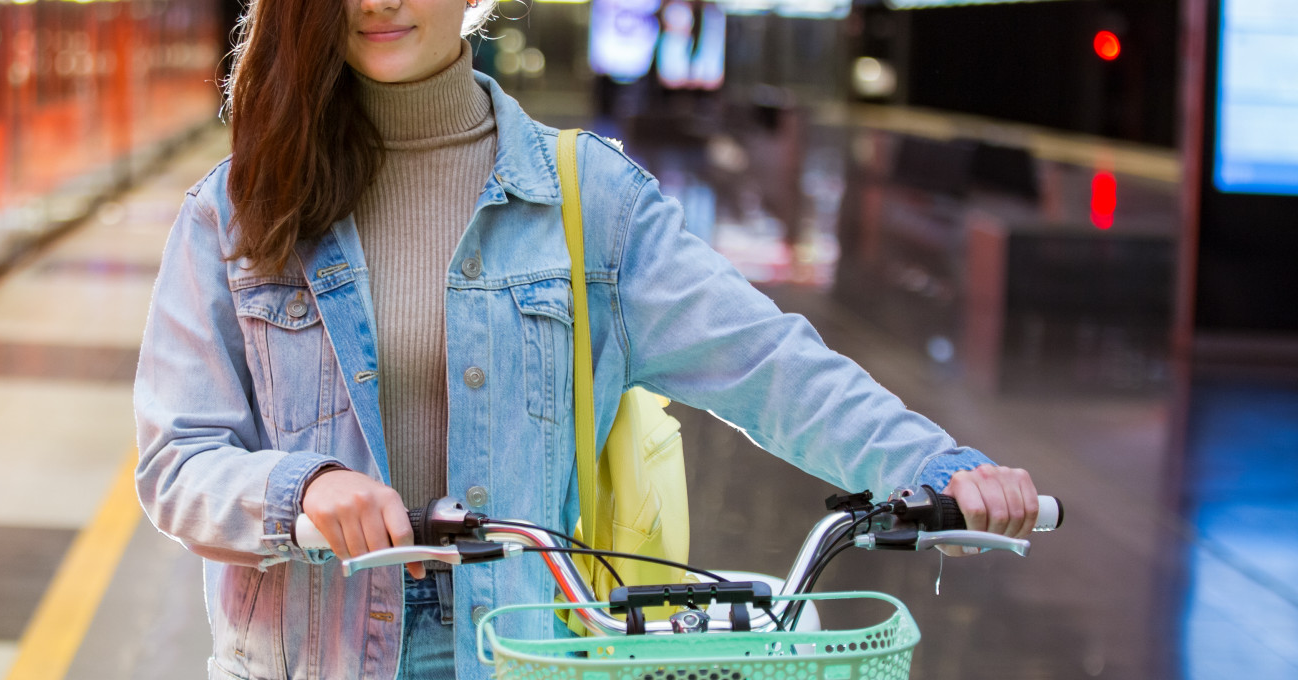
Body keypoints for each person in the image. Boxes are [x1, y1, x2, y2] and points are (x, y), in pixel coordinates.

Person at [131, 0, 1042, 678]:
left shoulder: (586, 205)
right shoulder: (239, 209)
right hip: (300, 660)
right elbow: (176, 462)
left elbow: (770, 362)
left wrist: (937, 469)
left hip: (517, 649)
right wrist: (300, 490)